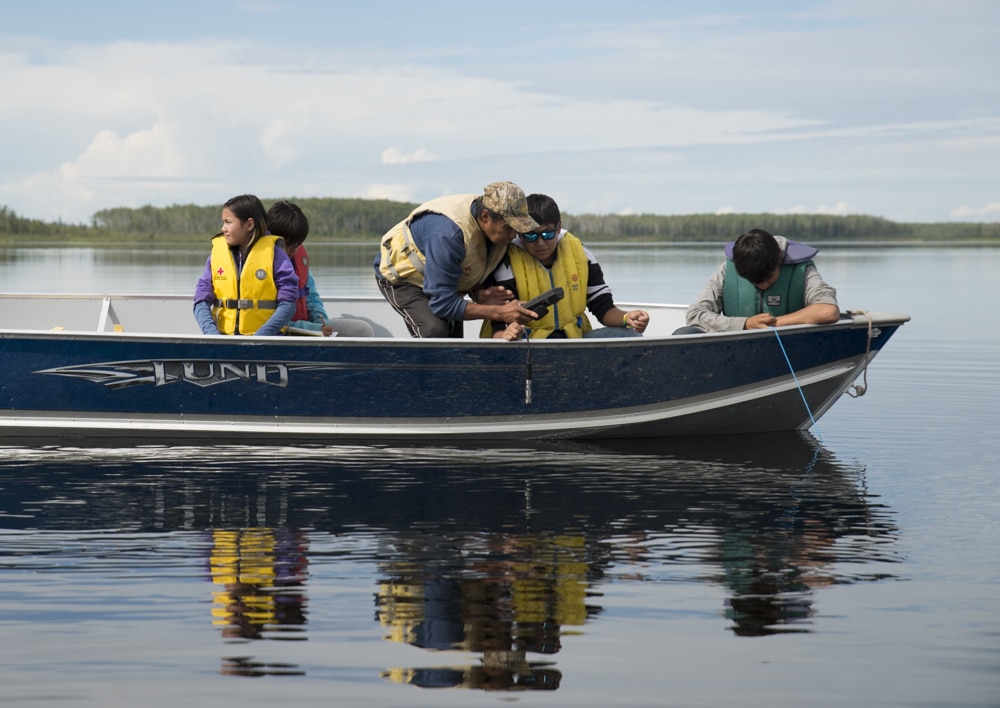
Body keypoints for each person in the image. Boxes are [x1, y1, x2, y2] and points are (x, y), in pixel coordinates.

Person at [374, 181, 543, 338]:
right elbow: (443, 304)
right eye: (508, 228)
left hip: (439, 279)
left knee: (454, 342)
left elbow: (467, 265)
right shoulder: (448, 234)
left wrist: (477, 293)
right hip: (405, 278)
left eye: (518, 228)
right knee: (435, 331)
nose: (514, 235)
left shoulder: (493, 227)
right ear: (485, 217)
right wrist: (500, 312)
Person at [480, 193, 649, 341]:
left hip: (573, 341)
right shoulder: (506, 259)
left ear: (558, 227)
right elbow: (498, 322)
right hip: (528, 343)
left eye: (547, 234)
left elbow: (604, 309)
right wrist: (507, 334)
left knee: (630, 335)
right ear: (520, 232)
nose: (540, 243)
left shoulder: (581, 255)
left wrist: (628, 318)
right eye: (530, 236)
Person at [675, 228, 839, 334]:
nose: (763, 285)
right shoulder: (727, 269)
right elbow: (695, 314)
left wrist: (773, 323)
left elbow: (828, 310)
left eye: (768, 278)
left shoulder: (801, 269)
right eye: (754, 281)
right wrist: (745, 324)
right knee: (684, 334)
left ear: (779, 257)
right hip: (736, 349)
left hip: (790, 348)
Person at [266, 200, 375, 337]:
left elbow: (312, 298)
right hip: (283, 330)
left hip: (309, 329)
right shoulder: (261, 266)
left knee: (362, 330)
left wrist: (322, 322)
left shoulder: (299, 259)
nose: (294, 249)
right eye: (288, 243)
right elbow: (268, 319)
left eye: (298, 244)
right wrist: (314, 328)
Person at [193, 194, 298, 335]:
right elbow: (201, 299)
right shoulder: (216, 256)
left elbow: (288, 303)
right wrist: (213, 335)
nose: (223, 228)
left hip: (265, 342)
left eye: (228, 222)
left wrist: (261, 337)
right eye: (223, 222)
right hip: (222, 339)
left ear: (249, 224)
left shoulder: (276, 255)